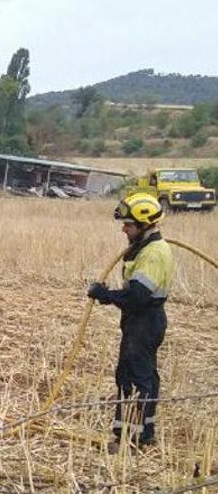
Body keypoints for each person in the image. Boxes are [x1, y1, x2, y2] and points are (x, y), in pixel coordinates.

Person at [87, 193, 173, 452]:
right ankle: (134, 432)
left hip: (145, 321)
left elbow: (137, 296)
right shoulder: (145, 249)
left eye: (128, 225)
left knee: (137, 378)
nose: (123, 229)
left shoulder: (155, 253)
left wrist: (106, 295)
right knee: (131, 375)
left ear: (145, 224)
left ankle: (135, 440)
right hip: (139, 321)